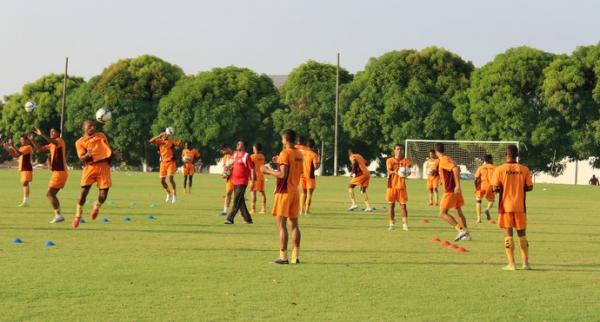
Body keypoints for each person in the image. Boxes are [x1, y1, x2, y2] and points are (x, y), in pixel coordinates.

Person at [262, 129, 304, 264]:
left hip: (284, 192)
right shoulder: (299, 153)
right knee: (294, 225)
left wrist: (267, 170)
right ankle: (295, 255)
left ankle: (283, 256)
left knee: (281, 225)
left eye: (282, 139)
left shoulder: (285, 153)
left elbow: (283, 174)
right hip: (295, 191)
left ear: (285, 139)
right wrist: (278, 162)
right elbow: (292, 169)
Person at [491, 145, 533, 271]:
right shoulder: (524, 169)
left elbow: (494, 188)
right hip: (520, 206)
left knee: (508, 234)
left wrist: (501, 188)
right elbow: (530, 187)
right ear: (517, 155)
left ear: (506, 154)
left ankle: (512, 264)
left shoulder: (499, 169)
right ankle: (525, 263)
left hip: (505, 206)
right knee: (522, 234)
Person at [72, 120, 113, 229]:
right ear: (84, 127)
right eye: (90, 126)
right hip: (90, 168)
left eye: (94, 126)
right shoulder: (80, 142)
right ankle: (78, 215)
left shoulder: (101, 135)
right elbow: (81, 158)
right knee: (83, 193)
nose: (92, 128)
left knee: (103, 196)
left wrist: (114, 155)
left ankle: (96, 205)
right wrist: (87, 155)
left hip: (103, 166)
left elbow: (107, 150)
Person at [29, 127, 68, 224]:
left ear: (58, 133)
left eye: (53, 131)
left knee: (50, 194)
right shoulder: (52, 144)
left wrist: (42, 134)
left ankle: (58, 215)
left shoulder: (59, 141)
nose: (51, 133)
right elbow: (40, 149)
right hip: (57, 172)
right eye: (50, 131)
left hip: (60, 172)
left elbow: (54, 142)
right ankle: (58, 215)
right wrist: (32, 140)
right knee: (52, 194)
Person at [434, 143, 471, 241]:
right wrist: (443, 180)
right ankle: (467, 235)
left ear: (436, 151)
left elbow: (455, 169)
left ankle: (460, 230)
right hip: (455, 190)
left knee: (442, 213)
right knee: (458, 212)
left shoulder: (443, 160)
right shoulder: (448, 158)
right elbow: (456, 168)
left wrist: (457, 184)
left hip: (450, 190)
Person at [224, 140, 255, 224]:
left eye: (239, 144)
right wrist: (227, 170)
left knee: (236, 200)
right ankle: (248, 219)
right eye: (237, 144)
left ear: (244, 146)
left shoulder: (246, 156)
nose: (237, 145)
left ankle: (230, 218)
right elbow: (232, 165)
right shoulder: (235, 155)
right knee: (240, 201)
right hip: (234, 180)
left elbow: (251, 169)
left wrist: (252, 181)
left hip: (242, 181)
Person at [149, 131, 182, 203]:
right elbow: (151, 141)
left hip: (171, 163)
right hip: (163, 163)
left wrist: (180, 142)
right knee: (162, 181)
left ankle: (174, 195)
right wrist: (159, 135)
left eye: (166, 134)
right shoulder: (159, 141)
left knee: (170, 178)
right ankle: (168, 193)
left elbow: (179, 144)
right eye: (164, 134)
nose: (165, 135)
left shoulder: (171, 141)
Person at [2, 134, 33, 207]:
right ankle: (26, 201)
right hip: (22, 168)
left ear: (27, 140)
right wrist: (7, 148)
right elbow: (15, 155)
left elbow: (18, 153)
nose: (21, 141)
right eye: (21, 140)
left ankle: (26, 201)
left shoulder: (28, 147)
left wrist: (12, 145)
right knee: (24, 184)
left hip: (27, 167)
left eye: (23, 140)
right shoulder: (22, 147)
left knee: (25, 183)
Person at [386, 144, 411, 231]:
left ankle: (405, 224)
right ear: (394, 150)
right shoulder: (390, 160)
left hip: (401, 186)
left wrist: (407, 172)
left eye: (401, 149)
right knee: (391, 205)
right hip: (391, 186)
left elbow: (409, 171)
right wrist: (395, 172)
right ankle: (391, 224)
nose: (399, 150)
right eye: (397, 149)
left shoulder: (406, 161)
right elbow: (389, 171)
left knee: (403, 206)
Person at [299, 139, 320, 215]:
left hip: (302, 175)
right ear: (313, 146)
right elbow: (316, 166)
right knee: (309, 194)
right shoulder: (314, 154)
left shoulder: (301, 153)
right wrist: (318, 163)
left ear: (306, 145)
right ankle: (306, 211)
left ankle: (301, 210)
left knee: (303, 193)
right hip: (310, 176)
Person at [474, 154, 496, 223]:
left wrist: (476, 187)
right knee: (491, 200)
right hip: (490, 186)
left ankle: (479, 219)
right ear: (490, 159)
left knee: (478, 200)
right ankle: (487, 209)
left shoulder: (481, 167)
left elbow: (476, 178)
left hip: (481, 186)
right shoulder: (495, 167)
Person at [250, 143, 267, 214]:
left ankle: (253, 209)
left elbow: (251, 168)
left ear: (255, 148)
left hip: (255, 176)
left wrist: (252, 178)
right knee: (262, 192)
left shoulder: (252, 157)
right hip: (261, 175)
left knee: (253, 192)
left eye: (253, 148)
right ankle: (263, 209)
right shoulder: (262, 156)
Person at [218, 144, 234, 216]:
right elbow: (224, 167)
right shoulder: (225, 157)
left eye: (223, 150)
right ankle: (225, 211)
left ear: (227, 148)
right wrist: (225, 173)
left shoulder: (236, 154)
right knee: (228, 193)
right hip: (230, 178)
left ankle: (240, 211)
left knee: (239, 195)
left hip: (238, 177)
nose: (223, 152)